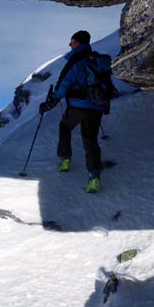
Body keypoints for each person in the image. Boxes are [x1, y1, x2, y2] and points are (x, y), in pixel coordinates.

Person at [39, 30, 109, 194]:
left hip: (78, 105)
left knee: (65, 127)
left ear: (79, 43)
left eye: (72, 42)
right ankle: (94, 177)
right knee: (90, 140)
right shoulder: (96, 59)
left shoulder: (75, 61)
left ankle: (65, 160)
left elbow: (64, 85)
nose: (70, 45)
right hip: (97, 106)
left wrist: (50, 104)